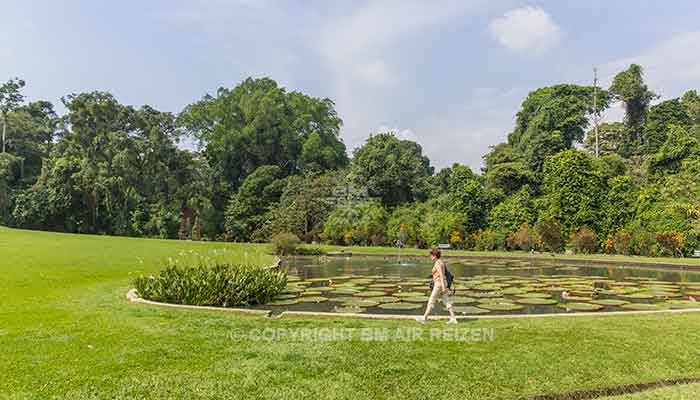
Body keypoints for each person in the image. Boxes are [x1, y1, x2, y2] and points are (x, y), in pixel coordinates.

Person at [416, 248, 458, 324]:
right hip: (441, 283)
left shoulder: (438, 263)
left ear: (435, 256)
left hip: (439, 284)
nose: (430, 257)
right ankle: (453, 318)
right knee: (446, 300)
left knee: (431, 300)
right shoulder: (441, 262)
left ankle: (424, 318)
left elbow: (441, 275)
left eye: (431, 255)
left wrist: (443, 287)